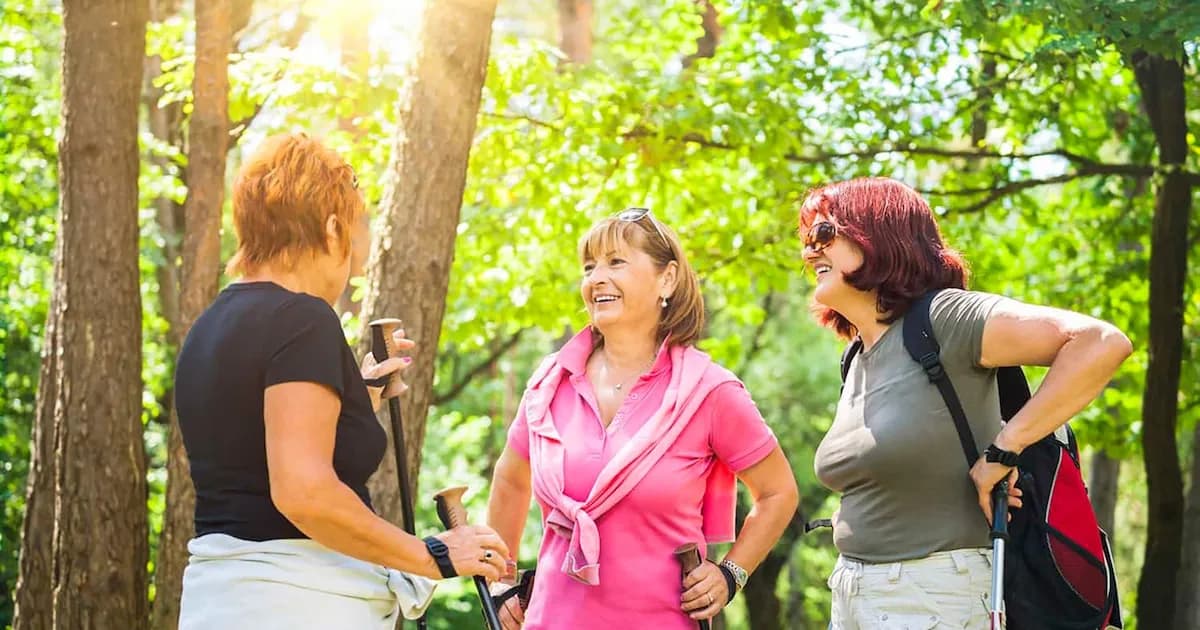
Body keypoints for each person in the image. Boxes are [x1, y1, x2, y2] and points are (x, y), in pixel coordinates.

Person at [175, 133, 509, 630]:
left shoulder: (209, 326)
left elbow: (255, 454)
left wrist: (357, 397)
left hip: (220, 604)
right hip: (295, 609)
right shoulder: (303, 318)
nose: (352, 265)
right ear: (332, 228)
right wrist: (433, 555)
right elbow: (303, 493)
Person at [799, 177, 1132, 629]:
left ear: (878, 234)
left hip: (931, 598)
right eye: (806, 239)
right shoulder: (856, 359)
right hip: (852, 592)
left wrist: (1004, 449)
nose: (809, 251)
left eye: (823, 234)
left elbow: (1100, 342)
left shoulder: (944, 319)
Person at [486, 207, 800, 629]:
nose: (596, 277)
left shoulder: (710, 391)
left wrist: (731, 574)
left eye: (616, 261)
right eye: (589, 266)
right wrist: (501, 582)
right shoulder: (550, 383)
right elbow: (510, 479)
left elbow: (778, 492)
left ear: (666, 279)